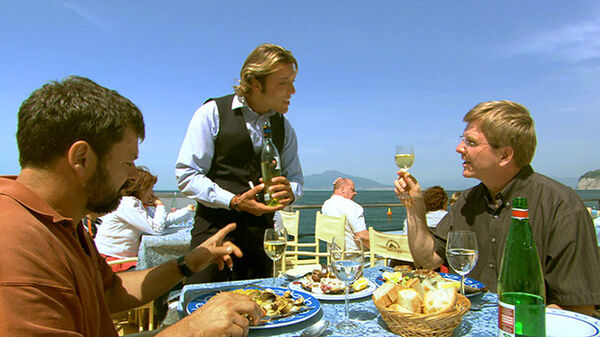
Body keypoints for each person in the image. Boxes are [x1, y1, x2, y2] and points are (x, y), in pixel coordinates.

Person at [0, 76, 262, 336]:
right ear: (81, 158)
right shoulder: (16, 245)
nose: (134, 176)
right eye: (128, 163)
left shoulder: (61, 221)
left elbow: (111, 291)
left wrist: (188, 264)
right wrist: (191, 330)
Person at [394, 100, 600, 316]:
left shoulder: (560, 206)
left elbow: (578, 309)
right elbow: (427, 260)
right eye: (462, 140)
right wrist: (414, 206)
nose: (459, 148)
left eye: (471, 142)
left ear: (505, 155)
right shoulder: (467, 202)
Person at [175, 43, 304, 283]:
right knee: (203, 308)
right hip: (215, 234)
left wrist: (290, 193)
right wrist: (234, 201)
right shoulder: (211, 113)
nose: (293, 91)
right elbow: (187, 175)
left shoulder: (284, 127)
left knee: (258, 310)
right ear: (256, 84)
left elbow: (295, 179)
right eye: (283, 83)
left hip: (262, 240)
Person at [95, 166, 195, 272]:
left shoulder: (136, 205)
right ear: (141, 188)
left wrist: (187, 211)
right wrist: (160, 205)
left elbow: (162, 222)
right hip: (114, 262)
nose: (152, 193)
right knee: (169, 271)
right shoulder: (127, 204)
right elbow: (157, 229)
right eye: (150, 188)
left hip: (122, 258)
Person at [321, 178, 370, 250]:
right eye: (352, 190)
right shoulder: (352, 206)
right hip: (356, 256)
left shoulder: (326, 205)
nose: (355, 193)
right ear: (342, 188)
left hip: (336, 256)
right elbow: (362, 236)